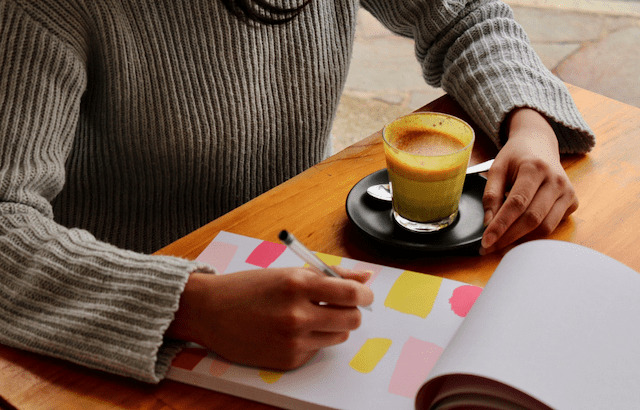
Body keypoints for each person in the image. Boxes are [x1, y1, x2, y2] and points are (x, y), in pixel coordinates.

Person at [0, 0, 594, 383]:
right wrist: (190, 305)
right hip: (113, 335)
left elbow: (464, 17)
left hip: (297, 260)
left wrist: (529, 123)